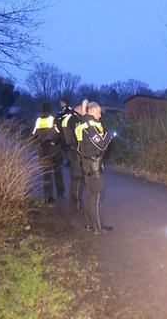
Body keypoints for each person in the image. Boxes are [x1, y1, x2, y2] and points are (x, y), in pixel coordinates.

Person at [75, 100, 114, 234]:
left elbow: (80, 148)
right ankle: (98, 227)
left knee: (89, 195)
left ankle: (88, 224)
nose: (100, 115)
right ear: (91, 111)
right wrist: (109, 135)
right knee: (96, 196)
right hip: (93, 166)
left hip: (86, 165)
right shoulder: (89, 127)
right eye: (98, 112)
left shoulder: (81, 125)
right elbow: (102, 145)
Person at [32, 101, 65, 203]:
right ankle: (60, 192)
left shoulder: (38, 121)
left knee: (47, 173)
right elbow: (60, 133)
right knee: (57, 171)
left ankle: (48, 197)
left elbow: (33, 135)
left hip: (43, 149)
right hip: (55, 148)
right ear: (50, 110)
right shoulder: (54, 119)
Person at [61, 102, 84, 213]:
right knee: (78, 178)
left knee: (75, 179)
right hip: (75, 151)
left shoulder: (67, 117)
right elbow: (78, 136)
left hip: (70, 150)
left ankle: (74, 204)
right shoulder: (75, 119)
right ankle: (76, 205)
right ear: (79, 108)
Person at [56, 98, 74, 167]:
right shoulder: (63, 111)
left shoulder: (67, 111)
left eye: (61, 103)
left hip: (67, 132)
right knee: (66, 148)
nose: (60, 104)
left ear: (64, 103)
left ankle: (70, 162)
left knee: (68, 148)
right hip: (64, 132)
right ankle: (69, 161)